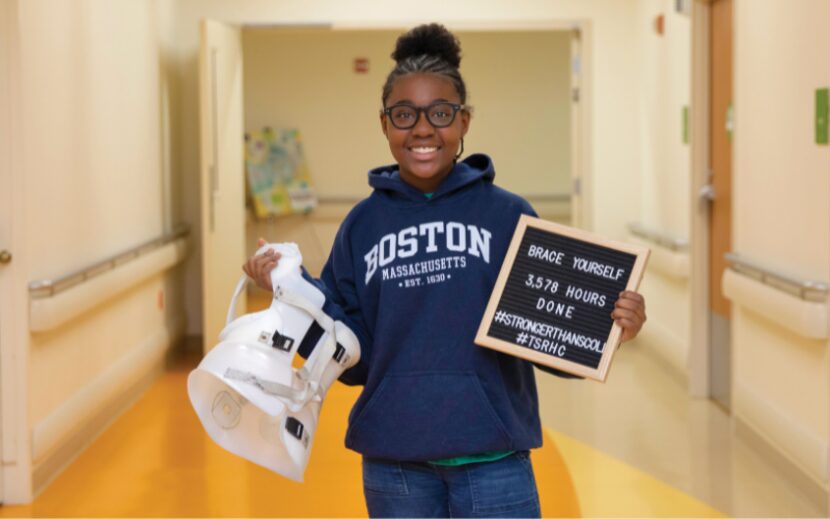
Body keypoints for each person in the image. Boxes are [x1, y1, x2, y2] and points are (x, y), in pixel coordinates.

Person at [244, 23, 647, 518]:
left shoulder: (507, 216)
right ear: (385, 124)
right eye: (404, 115)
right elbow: (349, 355)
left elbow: (546, 332)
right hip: (395, 462)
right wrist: (291, 289)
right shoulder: (362, 226)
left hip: (494, 460)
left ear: (463, 122)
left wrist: (607, 327)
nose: (422, 129)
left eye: (440, 113)